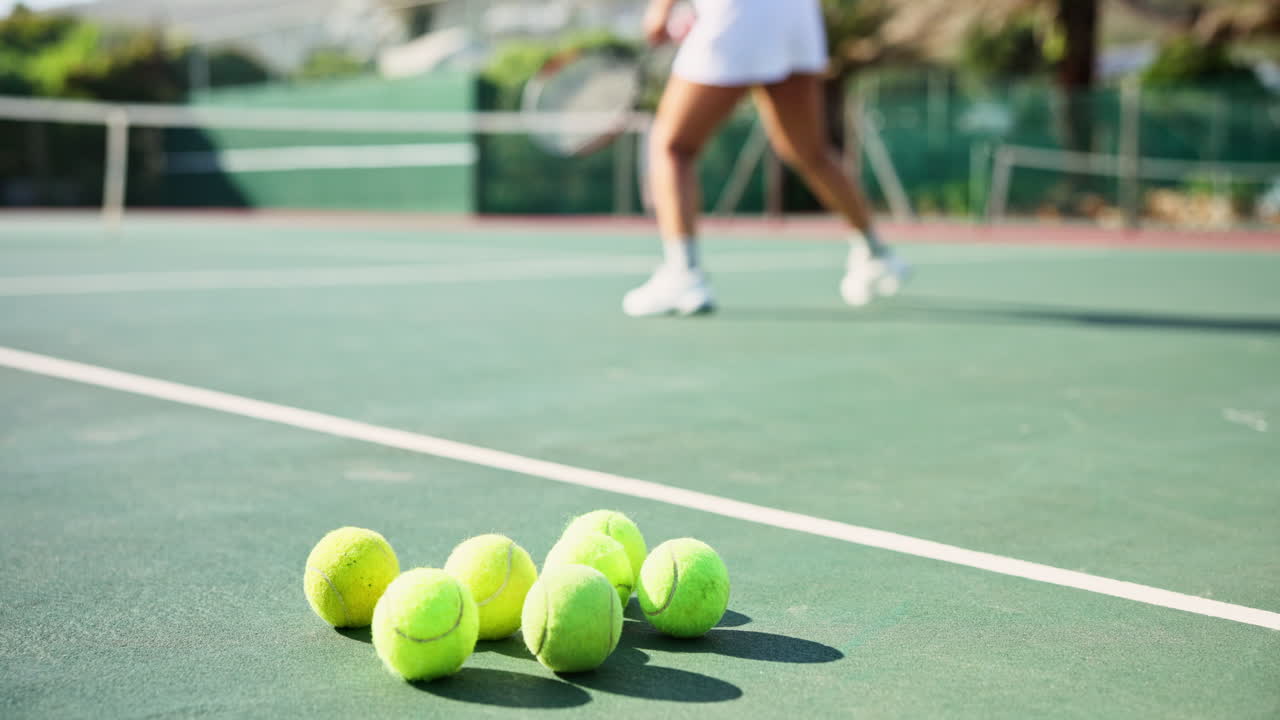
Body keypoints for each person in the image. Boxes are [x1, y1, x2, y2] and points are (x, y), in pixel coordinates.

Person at [624, 0, 910, 317]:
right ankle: (876, 253)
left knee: (673, 147)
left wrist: (660, 11)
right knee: (811, 153)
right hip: (797, 15)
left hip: (738, 13)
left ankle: (682, 273)